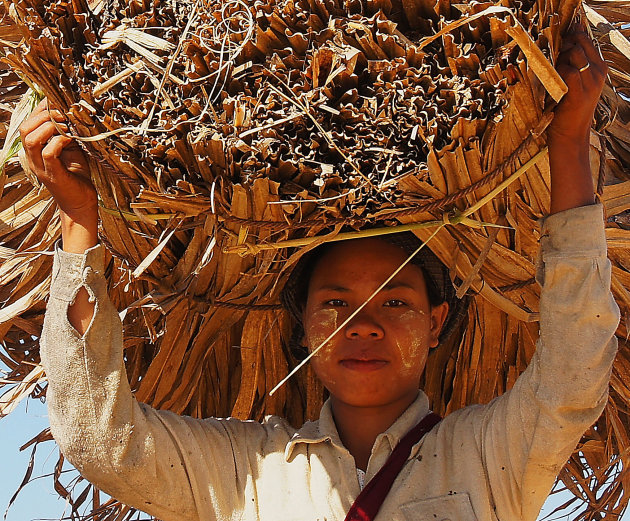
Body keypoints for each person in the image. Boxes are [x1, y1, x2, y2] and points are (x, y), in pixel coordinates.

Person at [23, 24, 619, 521]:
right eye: (335, 304)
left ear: (437, 323)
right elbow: (100, 440)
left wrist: (568, 145)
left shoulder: (490, 457)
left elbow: (571, 378)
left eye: (395, 303)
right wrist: (80, 221)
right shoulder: (245, 473)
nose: (363, 326)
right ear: (303, 325)